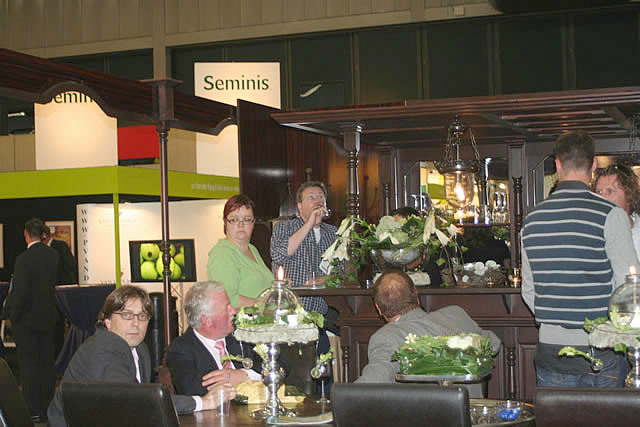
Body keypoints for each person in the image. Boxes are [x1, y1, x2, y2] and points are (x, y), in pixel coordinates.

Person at [521, 130, 640, 388]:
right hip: (600, 348)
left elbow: (529, 290)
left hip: (550, 349)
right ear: (594, 164)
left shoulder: (532, 221)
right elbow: (629, 287)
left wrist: (556, 320)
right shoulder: (610, 214)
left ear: (557, 164)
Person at [47, 285, 233, 427]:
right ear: (108, 321)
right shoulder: (103, 347)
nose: (136, 323)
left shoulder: (140, 349)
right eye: (127, 315)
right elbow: (136, 400)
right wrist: (204, 402)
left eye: (142, 316)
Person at [355, 270, 500, 398]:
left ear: (379, 309)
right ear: (416, 297)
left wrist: (342, 399)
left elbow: (372, 384)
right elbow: (494, 343)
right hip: (474, 413)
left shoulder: (387, 337)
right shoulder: (456, 314)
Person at [2, 218, 59, 422]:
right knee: (46, 364)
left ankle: (34, 410)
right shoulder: (53, 256)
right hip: (48, 319)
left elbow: (19, 292)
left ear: (26, 234)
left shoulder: (23, 259)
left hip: (26, 322)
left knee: (29, 367)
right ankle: (49, 408)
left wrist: (9, 315)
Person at [166, 281, 264, 395]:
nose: (234, 311)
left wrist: (245, 375)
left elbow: (277, 362)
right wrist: (229, 384)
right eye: (226, 308)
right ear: (207, 320)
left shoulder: (242, 334)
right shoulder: (181, 349)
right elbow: (192, 390)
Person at [270, 181, 335, 315]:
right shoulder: (285, 227)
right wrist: (310, 223)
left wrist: (325, 280)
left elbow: (342, 272)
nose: (317, 201)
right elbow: (278, 255)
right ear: (299, 206)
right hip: (290, 311)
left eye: (320, 197)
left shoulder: (333, 232)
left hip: (322, 311)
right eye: (311, 197)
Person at [207, 195, 273, 308]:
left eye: (247, 219)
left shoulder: (252, 249)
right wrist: (265, 304)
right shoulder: (222, 254)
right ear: (225, 222)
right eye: (234, 220)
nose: (241, 225)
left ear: (253, 223)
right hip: (241, 319)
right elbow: (228, 299)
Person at [593, 163, 640, 260]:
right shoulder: (592, 235)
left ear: (629, 195)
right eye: (599, 192)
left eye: (610, 191)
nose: (602, 198)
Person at [390, 207, 442, 287]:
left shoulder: (433, 258)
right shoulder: (388, 261)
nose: (395, 233)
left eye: (400, 228)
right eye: (392, 228)